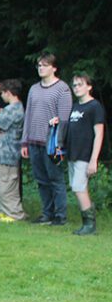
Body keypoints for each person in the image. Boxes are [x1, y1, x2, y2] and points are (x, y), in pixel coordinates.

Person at [20, 53, 73, 225]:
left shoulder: (62, 88)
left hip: (52, 143)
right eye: (39, 65)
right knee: (41, 180)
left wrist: (59, 143)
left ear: (54, 68)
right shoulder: (34, 89)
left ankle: (60, 215)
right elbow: (28, 115)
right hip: (34, 141)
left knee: (55, 179)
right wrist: (24, 141)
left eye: (44, 65)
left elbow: (64, 119)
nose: (41, 68)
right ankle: (47, 213)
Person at [65, 73, 105, 235]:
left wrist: (93, 159)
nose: (77, 88)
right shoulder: (75, 106)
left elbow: (99, 134)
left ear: (89, 87)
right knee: (77, 187)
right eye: (74, 85)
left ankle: (90, 225)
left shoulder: (94, 106)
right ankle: (87, 221)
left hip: (85, 155)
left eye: (80, 84)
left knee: (78, 187)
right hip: (72, 154)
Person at [0, 80, 27, 222]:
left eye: (3, 93)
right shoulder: (13, 108)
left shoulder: (13, 109)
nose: (2, 96)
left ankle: (14, 212)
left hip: (8, 152)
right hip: (3, 151)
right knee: (1, 182)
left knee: (8, 182)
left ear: (9, 93)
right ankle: (3, 209)